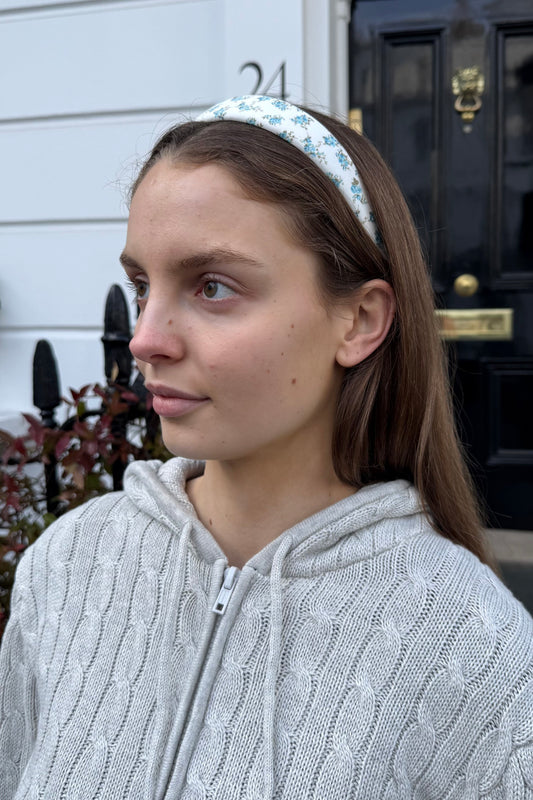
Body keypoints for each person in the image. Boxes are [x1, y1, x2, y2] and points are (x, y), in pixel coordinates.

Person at [1, 94, 532, 800]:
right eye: (141, 286)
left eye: (212, 287)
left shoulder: (472, 648)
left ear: (358, 320)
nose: (145, 339)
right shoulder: (67, 566)